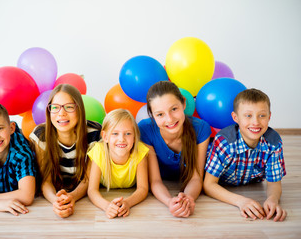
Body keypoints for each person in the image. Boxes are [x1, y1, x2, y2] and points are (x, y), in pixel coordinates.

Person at [203, 88, 287, 222]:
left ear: (269, 116)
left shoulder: (273, 143)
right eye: (248, 115)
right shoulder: (225, 143)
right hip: (217, 178)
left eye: (262, 115)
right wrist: (240, 201)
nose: (256, 122)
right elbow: (208, 185)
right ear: (235, 118)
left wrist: (273, 199)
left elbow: (274, 184)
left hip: (247, 180)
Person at [138, 81, 211, 218]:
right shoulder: (145, 130)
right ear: (152, 115)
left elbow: (196, 177)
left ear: (183, 103)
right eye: (160, 114)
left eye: (174, 109)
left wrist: (188, 199)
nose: (169, 119)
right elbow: (155, 181)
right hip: (162, 185)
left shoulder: (201, 128)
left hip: (190, 185)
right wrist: (170, 202)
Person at [30, 84, 101, 218]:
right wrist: (56, 201)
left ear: (79, 109)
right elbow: (46, 181)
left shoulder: (95, 133)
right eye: (55, 107)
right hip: (54, 192)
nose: (61, 113)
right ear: (49, 111)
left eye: (69, 107)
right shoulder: (40, 135)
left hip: (84, 194)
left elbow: (88, 179)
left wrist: (72, 197)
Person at [87, 109, 149, 219]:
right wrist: (107, 206)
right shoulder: (99, 152)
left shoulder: (140, 152)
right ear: (105, 137)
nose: (121, 139)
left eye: (128, 133)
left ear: (134, 137)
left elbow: (143, 189)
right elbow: (92, 190)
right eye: (115, 133)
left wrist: (128, 203)